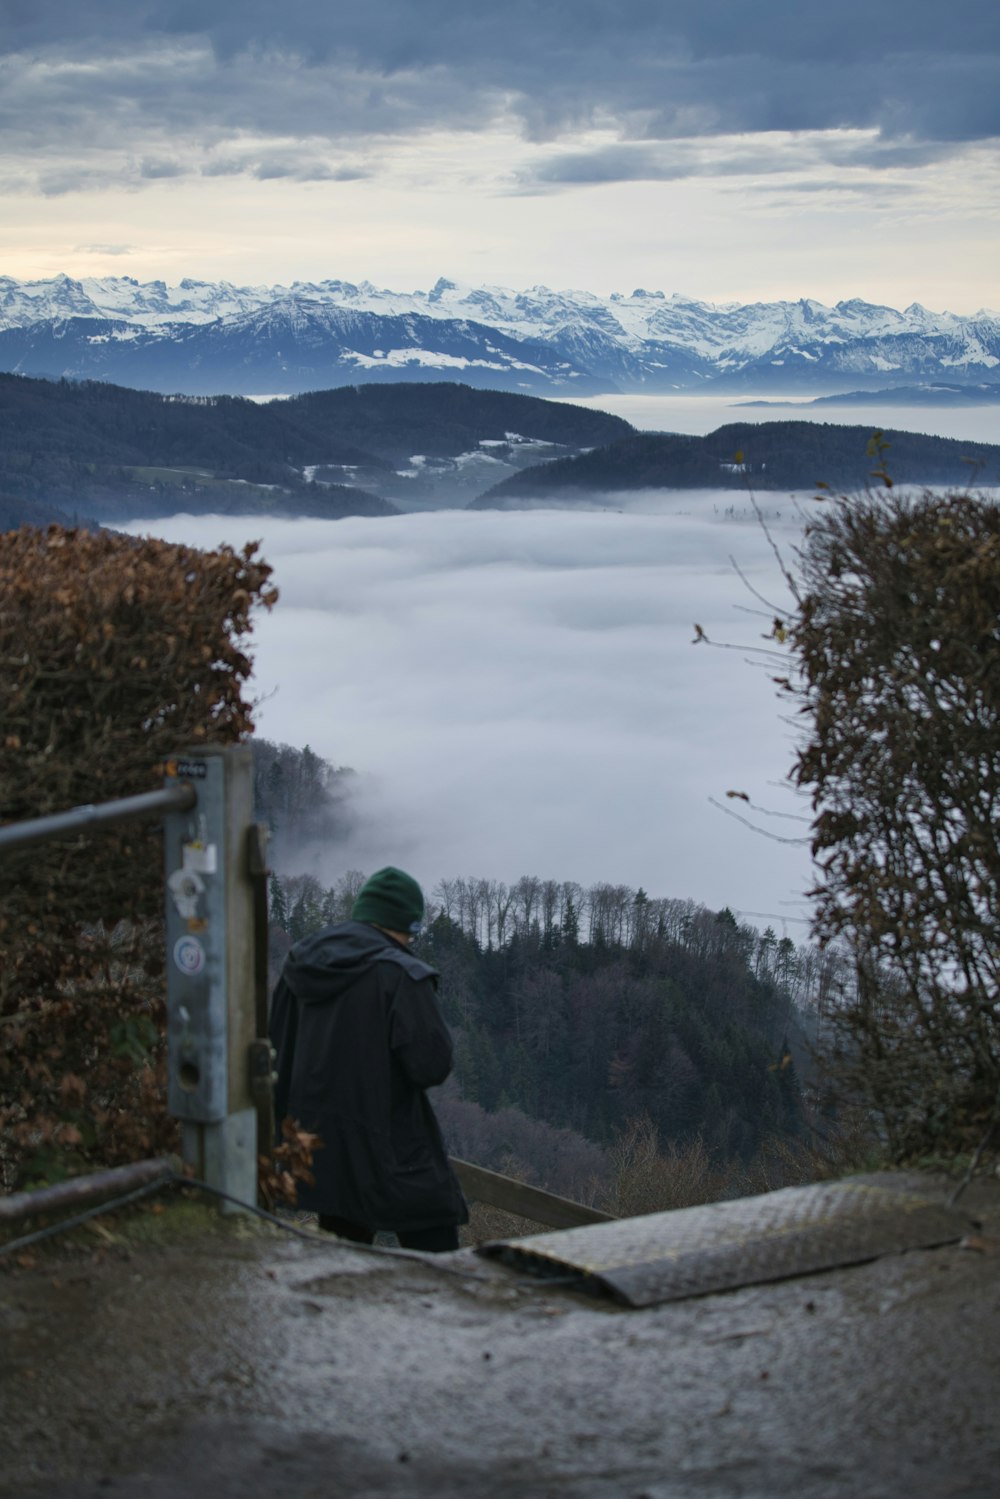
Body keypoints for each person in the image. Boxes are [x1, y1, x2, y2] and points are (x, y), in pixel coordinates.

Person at [269, 866, 468, 1252]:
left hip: (319, 1149)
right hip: (392, 1149)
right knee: (440, 1258)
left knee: (343, 1258)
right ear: (402, 923)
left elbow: (277, 1050)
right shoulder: (401, 975)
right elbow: (431, 1065)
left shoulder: (300, 966)